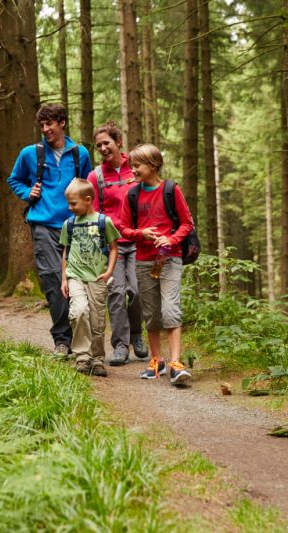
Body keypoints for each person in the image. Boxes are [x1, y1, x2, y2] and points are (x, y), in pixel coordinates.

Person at [7, 104, 92, 357]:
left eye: (50, 125)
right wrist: (27, 192)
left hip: (73, 225)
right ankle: (62, 341)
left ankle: (83, 339)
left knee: (77, 281)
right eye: (41, 126)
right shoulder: (30, 154)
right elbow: (14, 179)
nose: (45, 130)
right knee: (54, 281)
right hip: (42, 223)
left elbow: (88, 188)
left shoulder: (81, 154)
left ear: (62, 123)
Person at [118, 144, 193, 385]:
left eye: (137, 165)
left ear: (153, 165)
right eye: (132, 165)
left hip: (170, 259)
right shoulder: (131, 195)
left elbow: (186, 223)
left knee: (170, 309)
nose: (133, 169)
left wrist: (170, 239)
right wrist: (142, 234)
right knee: (150, 312)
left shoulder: (171, 189)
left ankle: (175, 363)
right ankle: (156, 360)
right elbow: (123, 228)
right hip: (143, 260)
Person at [86, 121, 148, 366]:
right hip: (112, 245)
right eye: (98, 145)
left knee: (136, 291)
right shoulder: (95, 176)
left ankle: (137, 336)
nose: (102, 148)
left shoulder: (136, 168)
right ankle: (120, 346)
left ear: (118, 142)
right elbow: (93, 212)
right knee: (115, 293)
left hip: (139, 240)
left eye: (106, 143)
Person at [59, 179, 119, 376]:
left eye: (73, 203)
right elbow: (66, 253)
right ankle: (82, 357)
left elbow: (113, 249)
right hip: (75, 276)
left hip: (97, 277)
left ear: (87, 200)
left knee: (97, 319)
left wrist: (109, 271)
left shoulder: (104, 222)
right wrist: (64, 279)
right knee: (79, 312)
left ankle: (97, 358)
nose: (70, 207)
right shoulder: (69, 224)